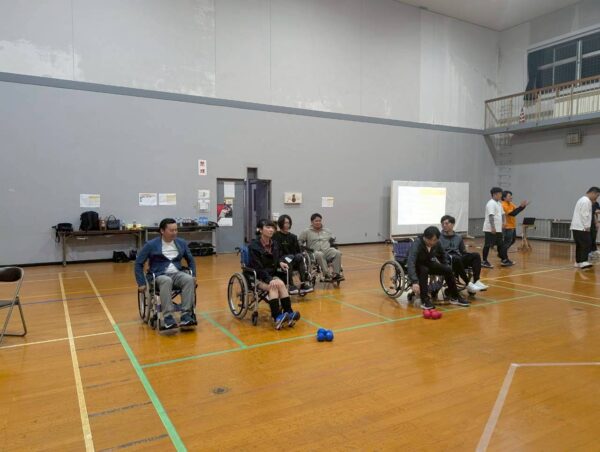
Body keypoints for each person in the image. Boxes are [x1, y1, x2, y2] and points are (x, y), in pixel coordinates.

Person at [135, 218, 197, 331]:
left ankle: (186, 316)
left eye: (176, 230)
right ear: (162, 231)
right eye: (171, 230)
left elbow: (191, 260)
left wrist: (194, 275)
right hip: (159, 276)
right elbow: (138, 263)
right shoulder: (151, 245)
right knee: (166, 280)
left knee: (188, 279)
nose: (174, 233)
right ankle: (168, 317)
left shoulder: (181, 243)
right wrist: (141, 282)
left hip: (177, 274)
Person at [249, 219, 301, 329]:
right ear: (260, 230)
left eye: (272, 227)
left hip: (271, 274)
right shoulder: (254, 246)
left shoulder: (275, 244)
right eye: (268, 227)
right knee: (274, 286)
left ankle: (289, 312)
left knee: (281, 284)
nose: (271, 230)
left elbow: (278, 257)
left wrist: (280, 262)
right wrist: (270, 279)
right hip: (257, 276)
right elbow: (258, 268)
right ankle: (277, 317)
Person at [406, 226, 469, 310]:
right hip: (417, 265)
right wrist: (414, 281)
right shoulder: (417, 244)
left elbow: (443, 255)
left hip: (428, 262)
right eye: (430, 240)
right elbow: (411, 262)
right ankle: (425, 300)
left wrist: (445, 266)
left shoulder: (437, 243)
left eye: (435, 240)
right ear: (425, 237)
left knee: (448, 270)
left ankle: (455, 297)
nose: (432, 242)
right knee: (424, 270)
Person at [440, 215, 488, 294]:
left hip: (459, 259)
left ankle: (476, 281)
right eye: (442, 224)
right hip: (447, 260)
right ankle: (468, 283)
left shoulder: (458, 237)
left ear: (453, 224)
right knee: (456, 258)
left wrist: (468, 256)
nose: (444, 225)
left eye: (446, 223)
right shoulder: (438, 237)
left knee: (476, 255)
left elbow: (463, 251)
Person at [273, 215, 313, 295]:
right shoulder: (276, 236)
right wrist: (280, 260)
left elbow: (297, 251)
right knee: (289, 257)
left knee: (299, 256)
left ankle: (303, 283)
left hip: (292, 258)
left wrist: (300, 255)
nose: (287, 225)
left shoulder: (293, 237)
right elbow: (275, 251)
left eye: (288, 223)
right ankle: (291, 285)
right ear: (281, 224)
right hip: (281, 260)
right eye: (285, 223)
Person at [298, 213, 343, 282]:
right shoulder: (306, 231)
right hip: (314, 252)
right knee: (320, 254)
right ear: (312, 222)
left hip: (326, 251)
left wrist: (334, 246)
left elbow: (333, 240)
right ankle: (326, 275)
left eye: (319, 221)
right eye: (316, 221)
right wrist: (304, 249)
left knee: (337, 253)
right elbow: (299, 242)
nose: (318, 222)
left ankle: (336, 274)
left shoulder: (327, 231)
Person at [482, 187, 513, 268]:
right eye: (500, 194)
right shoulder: (491, 203)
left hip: (498, 229)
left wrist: (504, 222)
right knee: (488, 245)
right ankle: (484, 261)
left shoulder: (499, 203)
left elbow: (503, 214)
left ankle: (504, 260)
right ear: (494, 194)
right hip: (490, 229)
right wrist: (492, 227)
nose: (501, 195)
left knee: (501, 244)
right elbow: (491, 216)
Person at [570, 187, 600, 269]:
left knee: (580, 245)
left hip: (576, 227)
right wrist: (587, 227)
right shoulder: (586, 201)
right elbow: (585, 215)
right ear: (593, 193)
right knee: (586, 244)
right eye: (597, 195)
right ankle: (584, 262)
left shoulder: (581, 200)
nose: (597, 198)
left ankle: (578, 262)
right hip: (582, 227)